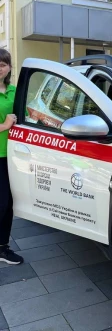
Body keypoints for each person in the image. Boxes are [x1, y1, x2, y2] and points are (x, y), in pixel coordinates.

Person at [0, 49, 24, 265]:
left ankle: (3, 247)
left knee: (9, 205)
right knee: (2, 202)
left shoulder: (16, 90)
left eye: (3, 64)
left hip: (14, 155)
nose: (0, 68)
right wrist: (5, 125)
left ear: (9, 68)